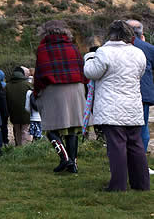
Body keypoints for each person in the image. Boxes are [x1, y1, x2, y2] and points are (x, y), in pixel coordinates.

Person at [83, 20, 149, 191]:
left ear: (110, 34)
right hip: (133, 106)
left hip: (111, 107)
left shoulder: (104, 52)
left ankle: (118, 185)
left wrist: (89, 57)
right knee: (136, 146)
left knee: (117, 147)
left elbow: (91, 72)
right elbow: (140, 73)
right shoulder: (138, 53)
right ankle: (141, 184)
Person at [34, 19, 87, 174]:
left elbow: (40, 73)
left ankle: (64, 158)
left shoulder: (43, 49)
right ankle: (73, 165)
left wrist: (37, 92)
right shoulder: (72, 46)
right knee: (72, 127)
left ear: (45, 32)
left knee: (50, 126)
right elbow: (81, 67)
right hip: (76, 88)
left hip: (53, 90)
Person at [126, 19, 154, 174]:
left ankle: (122, 163)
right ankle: (141, 165)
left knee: (122, 130)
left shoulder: (114, 48)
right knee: (142, 129)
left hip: (122, 93)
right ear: (141, 33)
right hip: (143, 93)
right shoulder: (148, 48)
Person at [6, 66, 32, 146]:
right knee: (25, 130)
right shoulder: (28, 84)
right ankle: (25, 150)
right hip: (26, 113)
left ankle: (18, 146)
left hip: (13, 113)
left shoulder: (7, 86)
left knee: (17, 130)